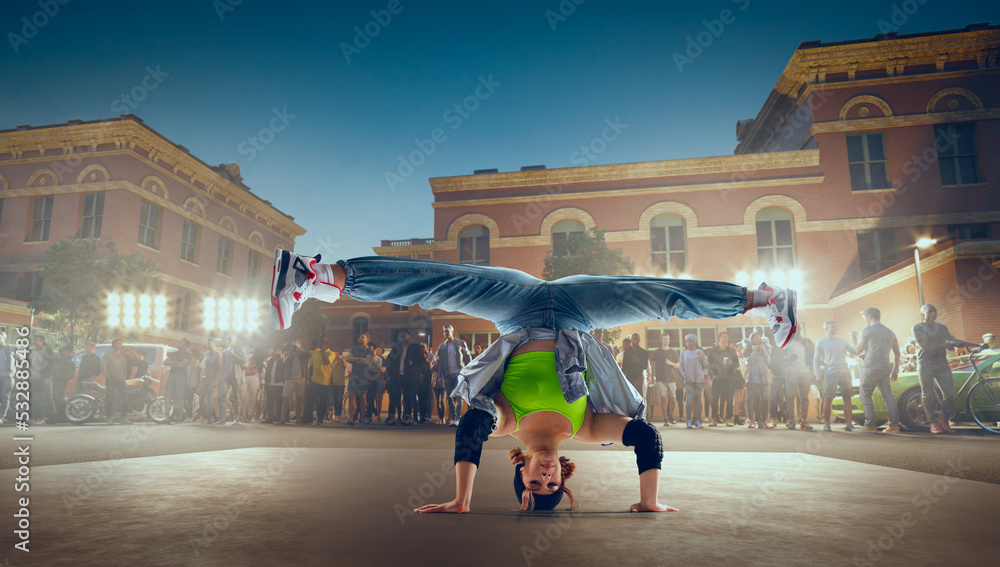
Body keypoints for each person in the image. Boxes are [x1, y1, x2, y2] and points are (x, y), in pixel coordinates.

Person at [270, 250, 796, 512]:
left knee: (442, 286)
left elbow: (471, 431)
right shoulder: (589, 430)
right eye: (554, 483)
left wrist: (462, 499)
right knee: (658, 296)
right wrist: (649, 499)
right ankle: (766, 299)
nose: (544, 477)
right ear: (563, 476)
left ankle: (313, 275)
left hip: (517, 308)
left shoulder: (506, 422)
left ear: (521, 472)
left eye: (533, 482)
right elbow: (646, 437)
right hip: (577, 311)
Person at [850, 307, 902, 434]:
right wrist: (895, 370)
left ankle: (869, 425)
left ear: (870, 316)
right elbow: (897, 353)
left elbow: (857, 350)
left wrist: (853, 338)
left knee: (865, 395)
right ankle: (894, 425)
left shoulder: (867, 331)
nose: (863, 319)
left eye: (864, 316)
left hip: (870, 367)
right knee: (888, 397)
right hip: (885, 367)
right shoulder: (890, 332)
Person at [912, 304, 960, 435]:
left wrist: (959, 343)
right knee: (927, 394)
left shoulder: (942, 327)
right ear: (923, 314)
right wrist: (948, 344)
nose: (933, 313)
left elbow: (951, 343)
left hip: (942, 364)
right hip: (925, 365)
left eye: (935, 311)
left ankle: (943, 422)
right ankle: (932, 423)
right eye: (930, 311)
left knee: (949, 394)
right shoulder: (917, 328)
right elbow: (927, 348)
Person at [813, 320, 858, 432]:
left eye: (836, 327)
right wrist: (817, 375)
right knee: (828, 398)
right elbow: (816, 360)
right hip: (830, 373)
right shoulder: (821, 342)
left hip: (844, 372)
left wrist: (853, 338)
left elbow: (855, 352)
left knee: (847, 398)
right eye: (832, 327)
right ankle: (827, 424)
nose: (835, 329)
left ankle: (849, 423)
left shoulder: (843, 341)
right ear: (826, 328)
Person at [435, 325, 472, 425]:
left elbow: (468, 357)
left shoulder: (460, 343)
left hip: (459, 373)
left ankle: (457, 419)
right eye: (444, 331)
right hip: (447, 375)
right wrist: (439, 376)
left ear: (452, 331)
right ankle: (453, 418)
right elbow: (440, 362)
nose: (446, 333)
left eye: (447, 331)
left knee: (459, 396)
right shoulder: (442, 346)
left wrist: (471, 371)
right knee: (449, 397)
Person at [782, 335, 814, 430]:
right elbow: (778, 357)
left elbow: (815, 353)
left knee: (804, 397)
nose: (797, 331)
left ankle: (803, 421)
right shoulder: (786, 341)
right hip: (791, 371)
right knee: (790, 396)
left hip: (805, 371)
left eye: (798, 329)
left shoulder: (805, 340)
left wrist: (808, 345)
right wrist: (788, 358)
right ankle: (791, 420)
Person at [707, 331, 739, 427]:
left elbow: (737, 364)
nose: (725, 339)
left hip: (729, 378)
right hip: (717, 378)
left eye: (726, 337)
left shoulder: (731, 351)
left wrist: (731, 362)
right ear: (719, 339)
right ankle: (714, 419)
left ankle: (729, 419)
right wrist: (712, 373)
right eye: (723, 337)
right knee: (715, 399)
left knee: (729, 399)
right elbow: (709, 364)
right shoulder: (713, 351)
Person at [649, 333, 681, 426]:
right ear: (661, 340)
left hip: (671, 378)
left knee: (673, 399)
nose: (667, 340)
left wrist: (671, 363)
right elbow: (652, 364)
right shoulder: (657, 352)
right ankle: (665, 418)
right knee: (663, 398)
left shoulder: (673, 352)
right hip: (660, 378)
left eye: (668, 339)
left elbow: (678, 365)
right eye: (665, 339)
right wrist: (651, 376)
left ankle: (671, 416)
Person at [678, 334, 709, 428]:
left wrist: (702, 358)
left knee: (698, 401)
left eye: (690, 341)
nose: (688, 343)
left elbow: (706, 366)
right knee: (690, 400)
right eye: (686, 341)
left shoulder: (700, 352)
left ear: (695, 342)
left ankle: (698, 421)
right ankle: (688, 421)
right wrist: (685, 377)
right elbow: (680, 366)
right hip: (688, 380)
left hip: (699, 379)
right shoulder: (683, 353)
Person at [743, 331, 772, 429]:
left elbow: (768, 361)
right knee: (755, 398)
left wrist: (764, 350)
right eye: (756, 339)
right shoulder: (746, 350)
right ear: (751, 340)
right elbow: (751, 361)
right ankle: (758, 420)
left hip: (764, 377)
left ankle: (765, 420)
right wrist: (754, 351)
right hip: (753, 377)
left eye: (759, 339)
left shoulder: (764, 348)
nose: (758, 341)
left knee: (766, 398)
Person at [344, 333, 374, 425]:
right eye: (360, 337)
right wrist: (360, 359)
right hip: (354, 375)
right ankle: (351, 419)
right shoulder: (354, 348)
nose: (360, 338)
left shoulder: (369, 350)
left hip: (364, 376)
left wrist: (354, 359)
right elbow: (348, 358)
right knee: (351, 395)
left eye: (363, 337)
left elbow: (367, 361)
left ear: (367, 340)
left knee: (362, 396)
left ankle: (362, 418)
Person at [218, 334, 248, 425]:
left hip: (236, 376)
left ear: (235, 340)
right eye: (227, 339)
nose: (229, 341)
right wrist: (221, 376)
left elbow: (245, 360)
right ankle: (222, 418)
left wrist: (234, 354)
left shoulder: (240, 348)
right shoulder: (225, 351)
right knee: (222, 396)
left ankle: (237, 418)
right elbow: (223, 364)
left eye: (230, 339)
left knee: (237, 398)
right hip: (226, 377)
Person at [278, 339, 308, 425]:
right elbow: (286, 363)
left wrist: (299, 347)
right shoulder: (288, 353)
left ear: (300, 345)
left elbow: (308, 354)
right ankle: (282, 418)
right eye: (294, 345)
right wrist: (291, 352)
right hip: (290, 378)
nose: (295, 347)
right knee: (286, 398)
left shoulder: (302, 353)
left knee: (299, 399)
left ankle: (298, 418)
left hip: (301, 379)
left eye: (296, 345)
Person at [102, 338, 130, 424]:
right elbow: (104, 367)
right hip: (111, 381)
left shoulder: (124, 356)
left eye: (121, 344)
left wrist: (130, 351)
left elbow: (139, 359)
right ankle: (109, 418)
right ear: (113, 345)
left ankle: (123, 418)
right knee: (110, 399)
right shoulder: (108, 355)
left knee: (125, 399)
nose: (119, 345)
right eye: (117, 343)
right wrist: (108, 377)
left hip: (121, 381)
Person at [29, 336, 57, 424]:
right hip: (32, 378)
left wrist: (47, 377)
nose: (34, 341)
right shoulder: (31, 351)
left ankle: (42, 418)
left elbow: (52, 365)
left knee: (42, 398)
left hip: (43, 378)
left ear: (41, 341)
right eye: (34, 340)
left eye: (36, 340)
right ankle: (32, 418)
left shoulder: (48, 351)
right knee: (33, 399)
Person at [164, 339, 191, 424]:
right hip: (172, 377)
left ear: (186, 346)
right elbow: (164, 362)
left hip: (181, 378)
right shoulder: (174, 354)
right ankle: (166, 418)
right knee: (167, 396)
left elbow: (183, 365)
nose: (179, 343)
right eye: (179, 342)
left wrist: (171, 363)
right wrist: (176, 362)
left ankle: (179, 418)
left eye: (181, 342)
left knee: (179, 397)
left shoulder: (187, 354)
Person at [1, 330, 23, 424]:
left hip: (8, 377)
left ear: (4, 338)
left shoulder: (12, 348)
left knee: (5, 397)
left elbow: (21, 361)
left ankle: (1, 417)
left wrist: (21, 373)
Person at [199, 340, 222, 424]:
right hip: (205, 379)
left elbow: (219, 369)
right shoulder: (206, 354)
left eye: (209, 344)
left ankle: (209, 418)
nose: (207, 345)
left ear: (214, 344)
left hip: (212, 380)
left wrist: (216, 381)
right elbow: (204, 366)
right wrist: (202, 376)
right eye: (207, 343)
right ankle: (206, 416)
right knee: (201, 398)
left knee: (209, 399)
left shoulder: (218, 355)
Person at [51, 346, 77, 418]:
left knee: (59, 399)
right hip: (52, 382)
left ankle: (60, 416)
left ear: (69, 353)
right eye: (63, 351)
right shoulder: (57, 361)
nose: (64, 353)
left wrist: (63, 381)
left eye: (66, 352)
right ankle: (53, 415)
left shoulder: (70, 363)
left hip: (61, 383)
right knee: (52, 398)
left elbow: (71, 374)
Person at [262, 347, 285, 423]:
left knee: (279, 402)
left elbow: (284, 367)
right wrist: (266, 384)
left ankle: (278, 417)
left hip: (279, 384)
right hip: (270, 384)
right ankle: (270, 417)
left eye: (279, 351)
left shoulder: (283, 361)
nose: (277, 352)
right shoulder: (271, 361)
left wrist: (282, 357)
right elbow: (267, 372)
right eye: (276, 351)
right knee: (270, 401)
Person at [366, 346, 386, 422]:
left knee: (378, 398)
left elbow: (384, 370)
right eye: (376, 350)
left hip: (380, 380)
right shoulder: (371, 358)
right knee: (370, 398)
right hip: (372, 380)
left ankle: (378, 415)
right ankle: (371, 413)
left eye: (379, 350)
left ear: (382, 352)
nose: (377, 351)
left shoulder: (383, 360)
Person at [185, 348, 203, 422]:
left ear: (194, 355)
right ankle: (190, 414)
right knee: (185, 400)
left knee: (190, 401)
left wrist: (198, 386)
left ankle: (190, 416)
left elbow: (200, 377)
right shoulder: (187, 363)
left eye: (190, 353)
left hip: (193, 385)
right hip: (186, 384)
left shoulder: (198, 365)